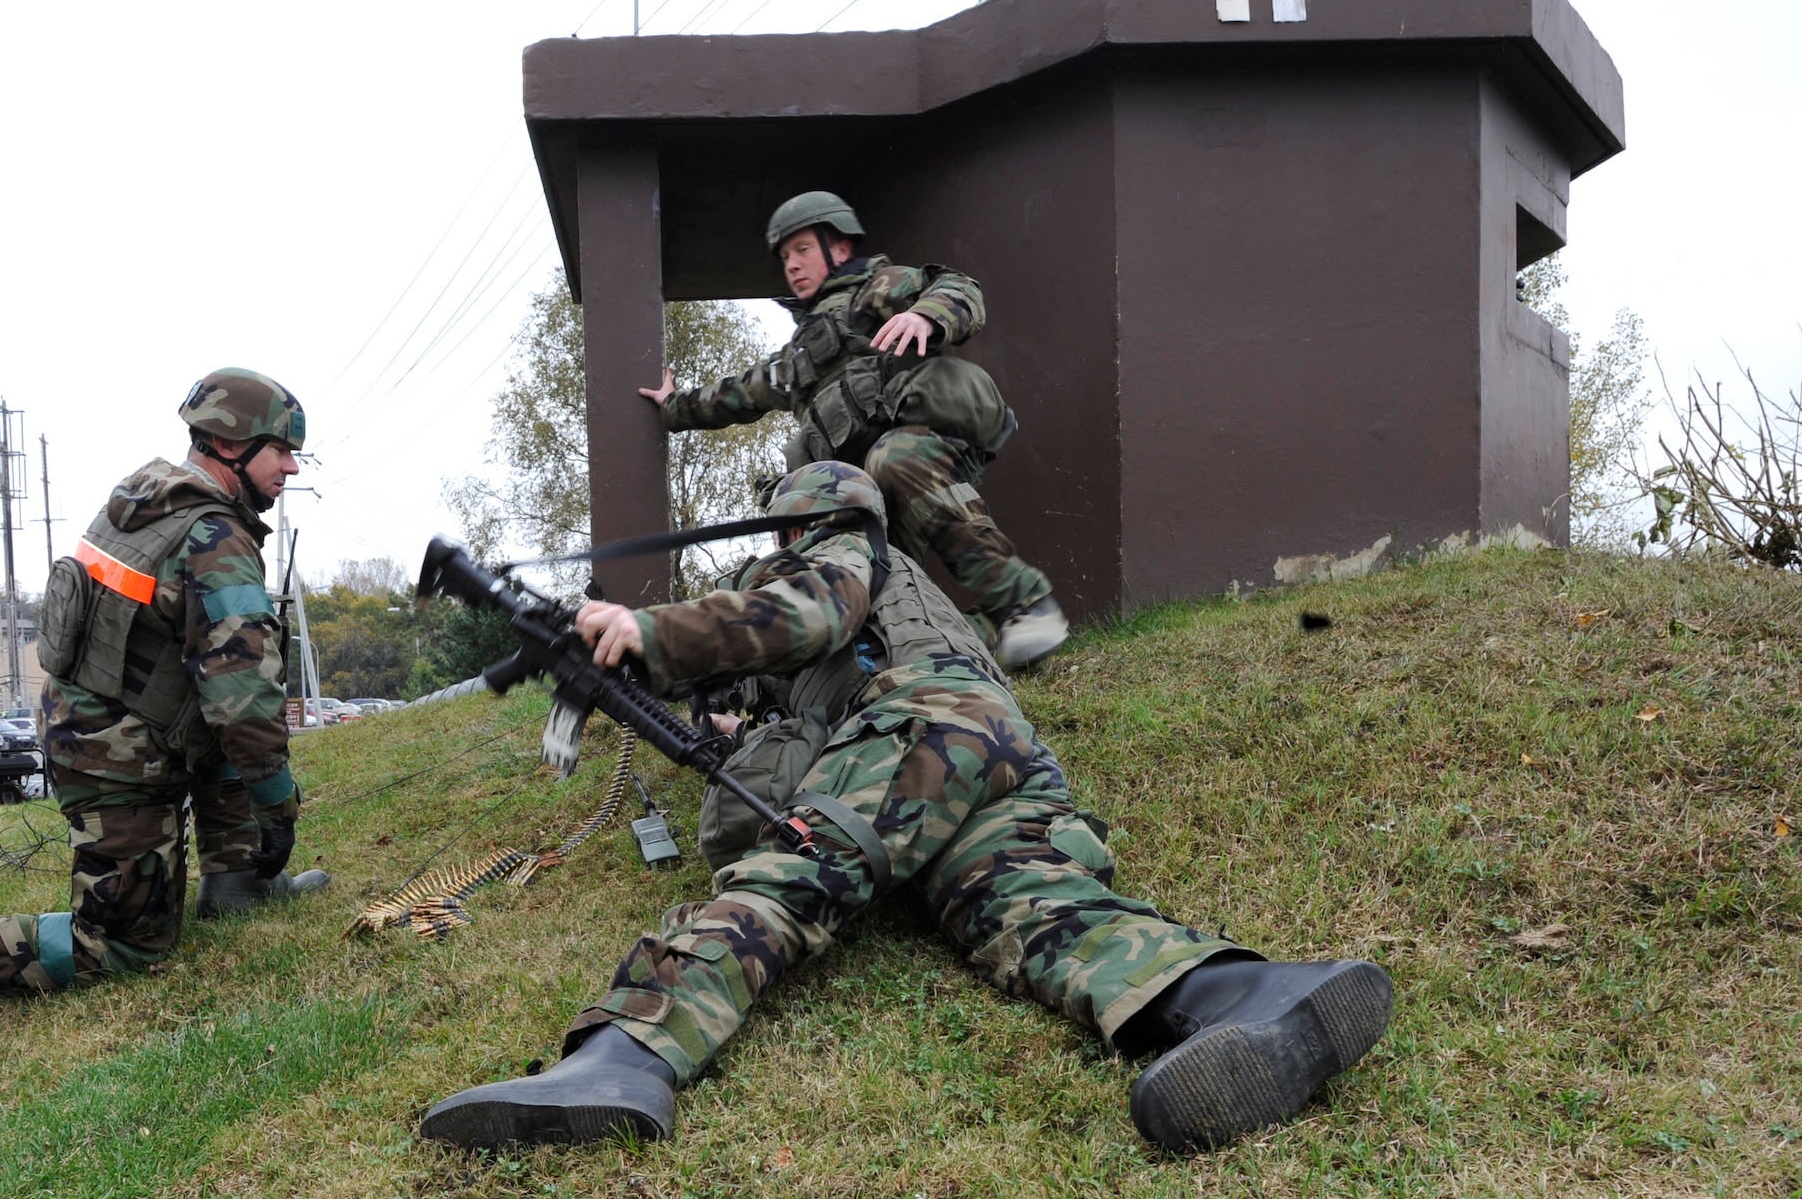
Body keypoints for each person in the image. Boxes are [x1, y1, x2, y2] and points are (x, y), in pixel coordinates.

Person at [418, 462, 1392, 1154]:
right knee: (1033, 909)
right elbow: (786, 671)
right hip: (996, 750)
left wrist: (649, 626)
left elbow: (798, 615)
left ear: (799, 525)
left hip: (914, 736)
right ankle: (1235, 996)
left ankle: (625, 1052)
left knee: (792, 872)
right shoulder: (926, 598)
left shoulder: (843, 552)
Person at [0, 369, 330, 1059]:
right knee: (124, 945)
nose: (291, 464)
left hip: (106, 725)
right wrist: (278, 806)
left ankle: (240, 884)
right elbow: (244, 697)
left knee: (226, 743)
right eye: (280, 447)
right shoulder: (215, 536)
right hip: (118, 757)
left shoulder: (148, 501)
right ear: (228, 444)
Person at [639, 191, 1069, 671]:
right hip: (862, 500)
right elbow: (735, 394)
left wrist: (925, 314)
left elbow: (958, 287)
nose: (793, 266)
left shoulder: (875, 289)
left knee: (895, 456)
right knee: (865, 588)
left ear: (839, 249)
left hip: (922, 459)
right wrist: (672, 406)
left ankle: (1027, 605)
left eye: (803, 249)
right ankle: (982, 639)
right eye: (785, 257)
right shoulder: (793, 361)